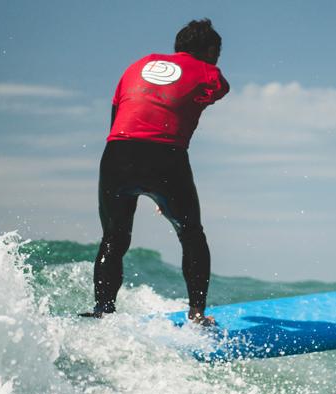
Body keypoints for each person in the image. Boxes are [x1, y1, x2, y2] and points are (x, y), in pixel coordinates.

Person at [81, 19, 229, 325]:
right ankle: (197, 314)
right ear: (211, 50)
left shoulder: (138, 64)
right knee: (190, 233)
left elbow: (118, 113)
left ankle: (103, 312)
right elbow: (216, 91)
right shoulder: (209, 72)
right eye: (218, 52)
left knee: (113, 237)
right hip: (165, 155)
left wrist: (130, 171)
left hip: (116, 153)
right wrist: (162, 187)